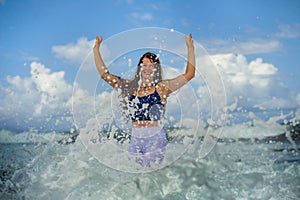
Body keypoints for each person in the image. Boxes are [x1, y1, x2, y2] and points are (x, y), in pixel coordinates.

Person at [93, 34, 195, 167]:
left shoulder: (162, 88)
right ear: (140, 67)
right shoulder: (129, 87)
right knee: (134, 177)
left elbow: (189, 74)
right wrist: (96, 49)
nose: (147, 68)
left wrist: (190, 49)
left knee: (147, 177)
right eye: (144, 65)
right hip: (135, 138)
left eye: (151, 65)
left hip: (156, 138)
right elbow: (104, 75)